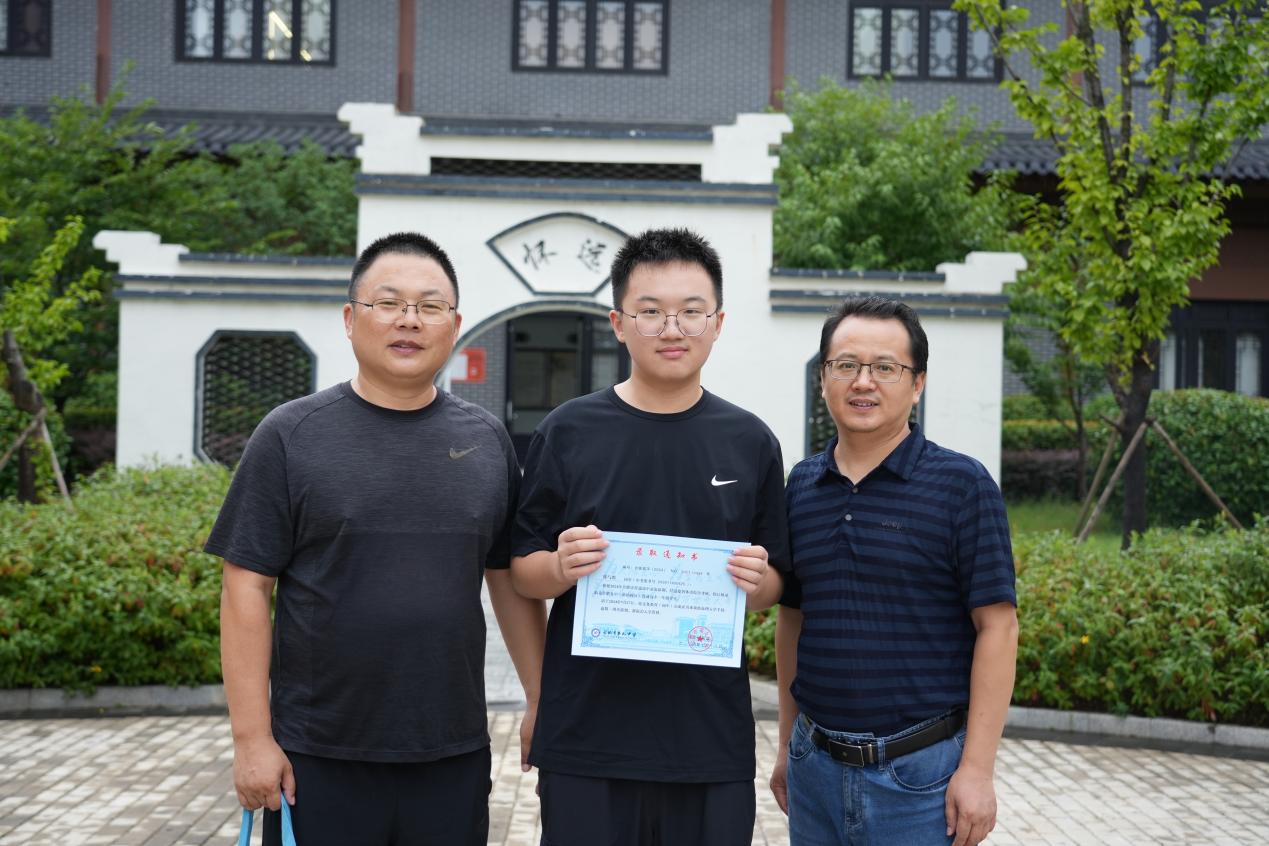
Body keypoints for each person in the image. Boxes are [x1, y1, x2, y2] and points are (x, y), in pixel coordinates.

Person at [208, 231, 547, 846]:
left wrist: (539, 697)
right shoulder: (290, 435)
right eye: (388, 303)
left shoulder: (487, 440)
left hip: (452, 751)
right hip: (317, 754)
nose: (409, 320)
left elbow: (507, 579)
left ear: (455, 325)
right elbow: (246, 586)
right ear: (350, 319)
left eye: (430, 306)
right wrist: (251, 739)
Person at [510, 227, 789, 846]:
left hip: (708, 740)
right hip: (586, 734)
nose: (672, 329)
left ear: (718, 323)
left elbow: (777, 582)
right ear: (618, 322)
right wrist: (559, 567)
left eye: (691, 312)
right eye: (651, 312)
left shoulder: (749, 441)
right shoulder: (569, 430)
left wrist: (757, 581)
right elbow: (521, 567)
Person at [769, 296, 1018, 846]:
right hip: (814, 769)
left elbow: (998, 627)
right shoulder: (802, 485)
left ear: (917, 383)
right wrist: (787, 744)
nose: (864, 382)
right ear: (823, 379)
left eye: (886, 367)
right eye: (845, 365)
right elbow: (793, 619)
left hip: (920, 780)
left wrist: (977, 771)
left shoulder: (962, 485)